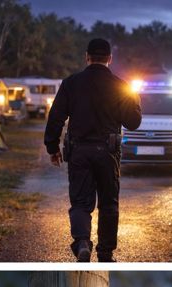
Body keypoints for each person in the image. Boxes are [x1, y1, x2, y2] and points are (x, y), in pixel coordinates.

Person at [44, 38, 142, 262]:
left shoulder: (71, 83)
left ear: (87, 56)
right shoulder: (121, 86)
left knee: (80, 202)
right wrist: (134, 97)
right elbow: (133, 122)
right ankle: (105, 253)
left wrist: (52, 147)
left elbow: (56, 117)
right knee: (108, 203)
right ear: (110, 58)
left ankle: (82, 242)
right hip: (107, 153)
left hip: (79, 152)